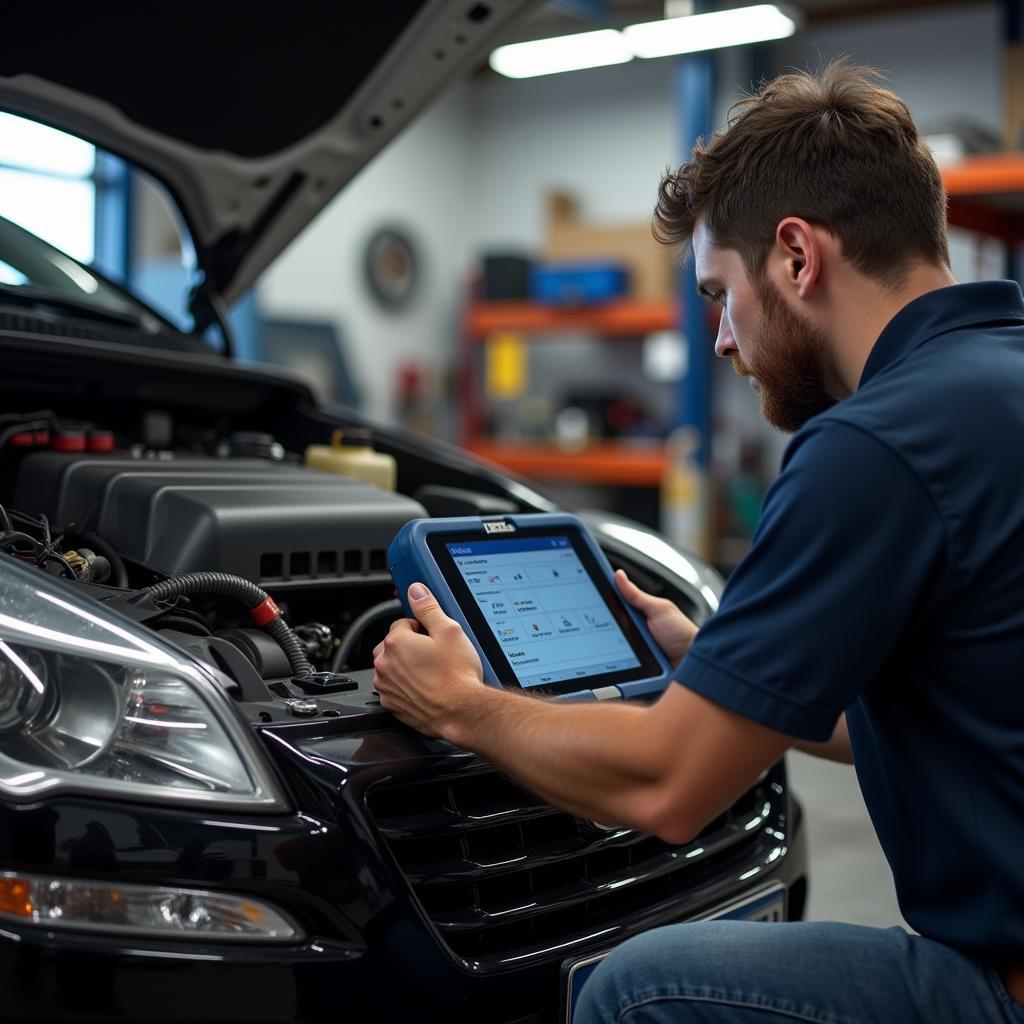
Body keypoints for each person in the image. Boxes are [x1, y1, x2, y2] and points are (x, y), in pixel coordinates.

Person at [372, 60, 1024, 1022]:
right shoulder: (996, 377)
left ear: (797, 258)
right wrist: (722, 669)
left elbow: (666, 785)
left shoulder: (873, 444)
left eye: (720, 293)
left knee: (639, 989)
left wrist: (461, 707)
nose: (720, 339)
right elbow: (955, 711)